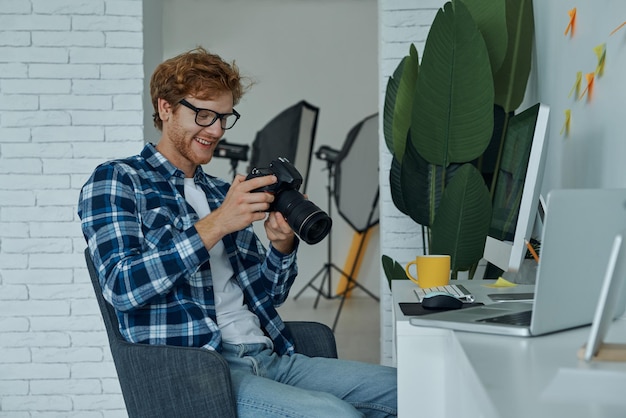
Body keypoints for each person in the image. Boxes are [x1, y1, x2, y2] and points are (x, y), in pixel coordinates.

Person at [78, 46, 397, 418]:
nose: (215, 130)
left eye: (223, 118)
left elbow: (270, 296)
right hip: (205, 372)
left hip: (271, 356)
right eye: (203, 114)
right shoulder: (118, 180)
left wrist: (281, 247)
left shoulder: (220, 191)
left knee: (403, 389)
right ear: (165, 108)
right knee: (334, 414)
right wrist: (216, 224)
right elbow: (122, 287)